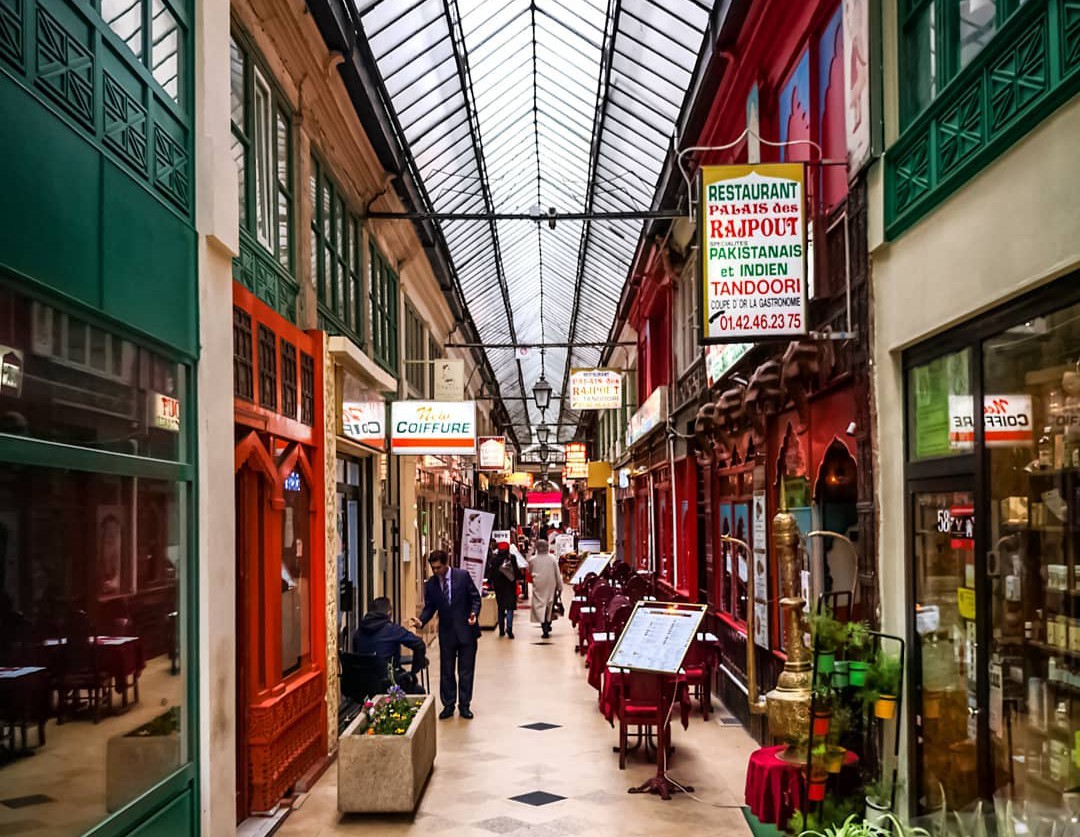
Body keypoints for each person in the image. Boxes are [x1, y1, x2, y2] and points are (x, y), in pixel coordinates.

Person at [409, 550, 481, 719]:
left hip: (466, 632)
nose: (436, 571)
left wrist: (474, 613)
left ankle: (464, 705)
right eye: (433, 568)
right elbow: (430, 607)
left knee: (466, 671)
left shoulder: (462, 577)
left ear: (446, 563)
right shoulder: (432, 584)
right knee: (446, 671)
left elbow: (475, 598)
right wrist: (421, 621)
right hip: (447, 633)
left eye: (438, 567)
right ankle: (448, 704)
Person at [352, 596, 427, 694]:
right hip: (389, 684)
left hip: (363, 685)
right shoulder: (392, 630)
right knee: (419, 691)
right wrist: (414, 671)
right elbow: (419, 644)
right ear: (389, 613)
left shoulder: (358, 632)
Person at [485, 541, 521, 639]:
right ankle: (509, 628)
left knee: (501, 608)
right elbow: (516, 572)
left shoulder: (494, 560)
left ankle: (501, 630)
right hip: (510, 586)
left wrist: (489, 582)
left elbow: (491, 573)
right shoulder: (511, 558)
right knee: (510, 608)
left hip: (499, 587)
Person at [528, 539, 561, 639]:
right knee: (549, 605)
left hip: (538, 586)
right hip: (551, 584)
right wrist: (560, 586)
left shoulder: (532, 560)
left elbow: (529, 572)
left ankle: (544, 626)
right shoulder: (552, 559)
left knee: (540, 606)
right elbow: (557, 574)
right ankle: (548, 623)